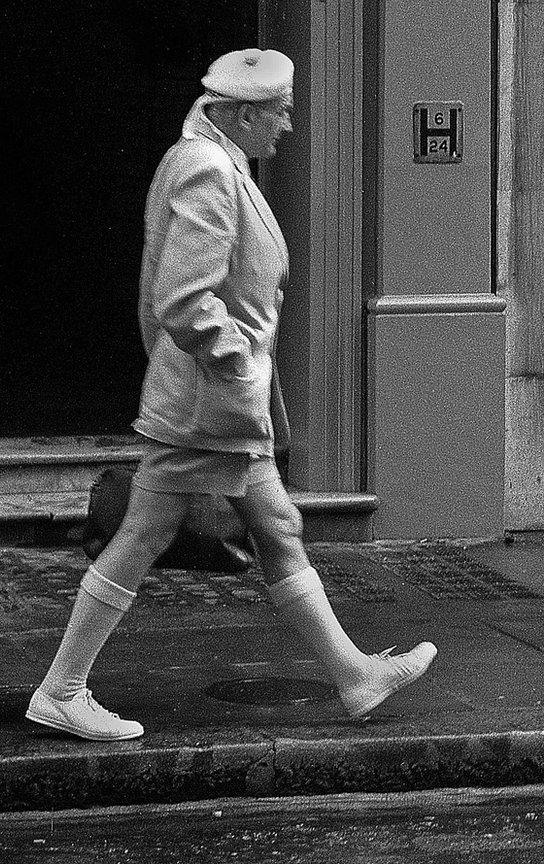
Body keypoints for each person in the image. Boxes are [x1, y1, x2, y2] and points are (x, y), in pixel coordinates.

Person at [26, 49, 437, 741]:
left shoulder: (218, 160)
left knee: (278, 528)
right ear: (243, 114)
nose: (288, 124)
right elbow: (184, 299)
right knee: (144, 534)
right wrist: (238, 363)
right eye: (279, 111)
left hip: (217, 406)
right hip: (204, 406)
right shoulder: (209, 172)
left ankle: (354, 675)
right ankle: (62, 689)